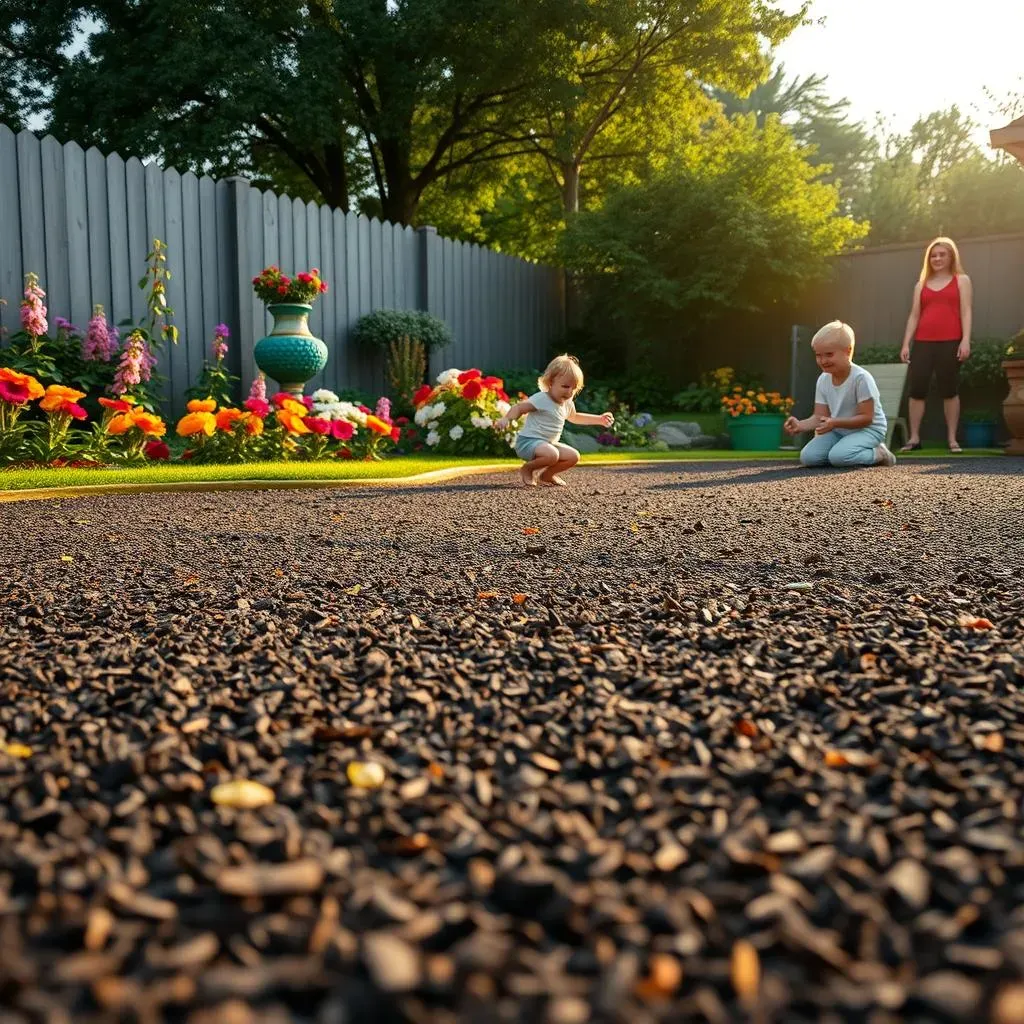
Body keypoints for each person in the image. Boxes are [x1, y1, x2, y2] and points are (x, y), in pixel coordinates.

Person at [784, 320, 897, 468]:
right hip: (838, 430)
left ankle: (880, 453)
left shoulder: (861, 378)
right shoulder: (823, 379)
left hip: (868, 430)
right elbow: (819, 417)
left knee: (839, 457)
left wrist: (835, 423)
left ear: (848, 351)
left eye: (829, 354)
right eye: (818, 355)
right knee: (808, 458)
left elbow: (867, 418)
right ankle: (844, 450)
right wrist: (800, 425)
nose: (823, 360)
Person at [899, 236, 973, 452]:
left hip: (951, 341)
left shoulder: (962, 280)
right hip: (922, 342)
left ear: (951, 257)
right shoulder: (920, 285)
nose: (937, 258)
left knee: (949, 389)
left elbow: (966, 311)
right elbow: (914, 315)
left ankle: (952, 439)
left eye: (942, 254)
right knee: (917, 390)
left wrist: (966, 339)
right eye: (933, 255)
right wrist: (906, 344)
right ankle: (914, 439)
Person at [494, 354, 614, 486]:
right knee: (552, 454)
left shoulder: (567, 403)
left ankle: (547, 475)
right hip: (528, 443)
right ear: (551, 382)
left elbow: (575, 417)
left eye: (573, 389)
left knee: (573, 456)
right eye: (565, 386)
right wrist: (506, 419)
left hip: (548, 445)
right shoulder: (542, 399)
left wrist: (600, 419)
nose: (569, 393)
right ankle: (527, 469)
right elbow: (519, 408)